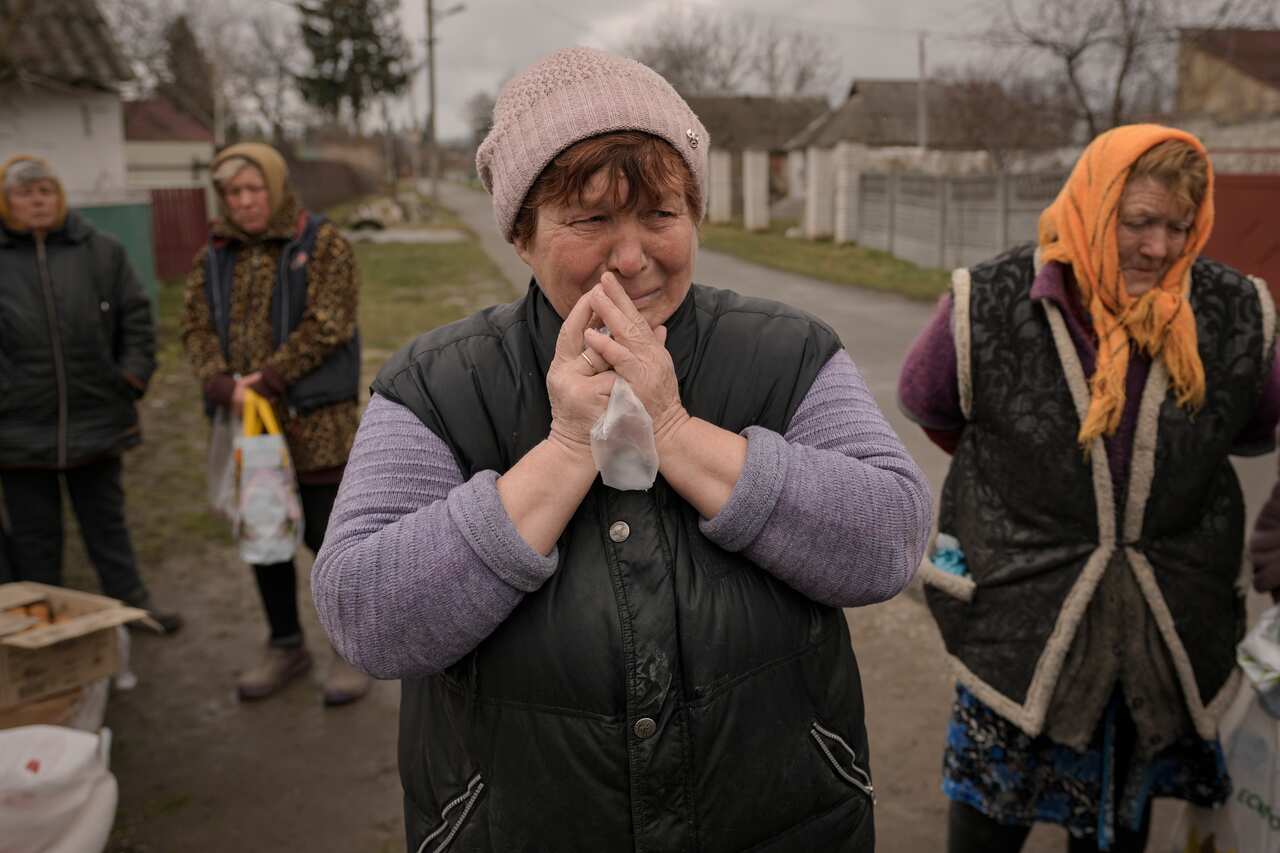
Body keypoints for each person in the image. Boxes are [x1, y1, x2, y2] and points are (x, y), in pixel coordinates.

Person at [312, 47, 931, 852]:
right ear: (522, 235)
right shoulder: (437, 386)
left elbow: (890, 538)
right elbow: (365, 614)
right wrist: (569, 444)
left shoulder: (789, 355)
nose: (631, 256)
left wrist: (673, 431)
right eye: (591, 218)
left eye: (660, 215)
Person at [899, 125, 1280, 853]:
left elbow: (1252, 426)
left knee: (1119, 818)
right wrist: (1030, 480)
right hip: (1023, 619)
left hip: (1159, 624)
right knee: (988, 816)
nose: (1160, 248)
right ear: (1093, 208)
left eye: (1179, 226)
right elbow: (933, 405)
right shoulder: (990, 302)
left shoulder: (1233, 314)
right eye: (1139, 222)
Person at [181, 142, 369, 706]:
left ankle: (351, 646)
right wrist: (218, 381)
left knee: (325, 535)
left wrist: (267, 378)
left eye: (253, 189)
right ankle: (286, 645)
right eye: (233, 193)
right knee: (264, 536)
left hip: (315, 424)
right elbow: (194, 326)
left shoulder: (322, 244)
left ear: (276, 187)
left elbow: (330, 322)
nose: (244, 201)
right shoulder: (214, 256)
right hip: (250, 426)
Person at [0, 155, 181, 632]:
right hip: (19, 430)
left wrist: (130, 379)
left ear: (59, 196)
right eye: (24, 193)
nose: (36, 201)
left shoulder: (101, 251)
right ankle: (38, 624)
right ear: (6, 201)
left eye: (45, 191)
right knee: (35, 539)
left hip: (96, 417)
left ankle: (132, 607)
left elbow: (138, 320)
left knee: (108, 528)